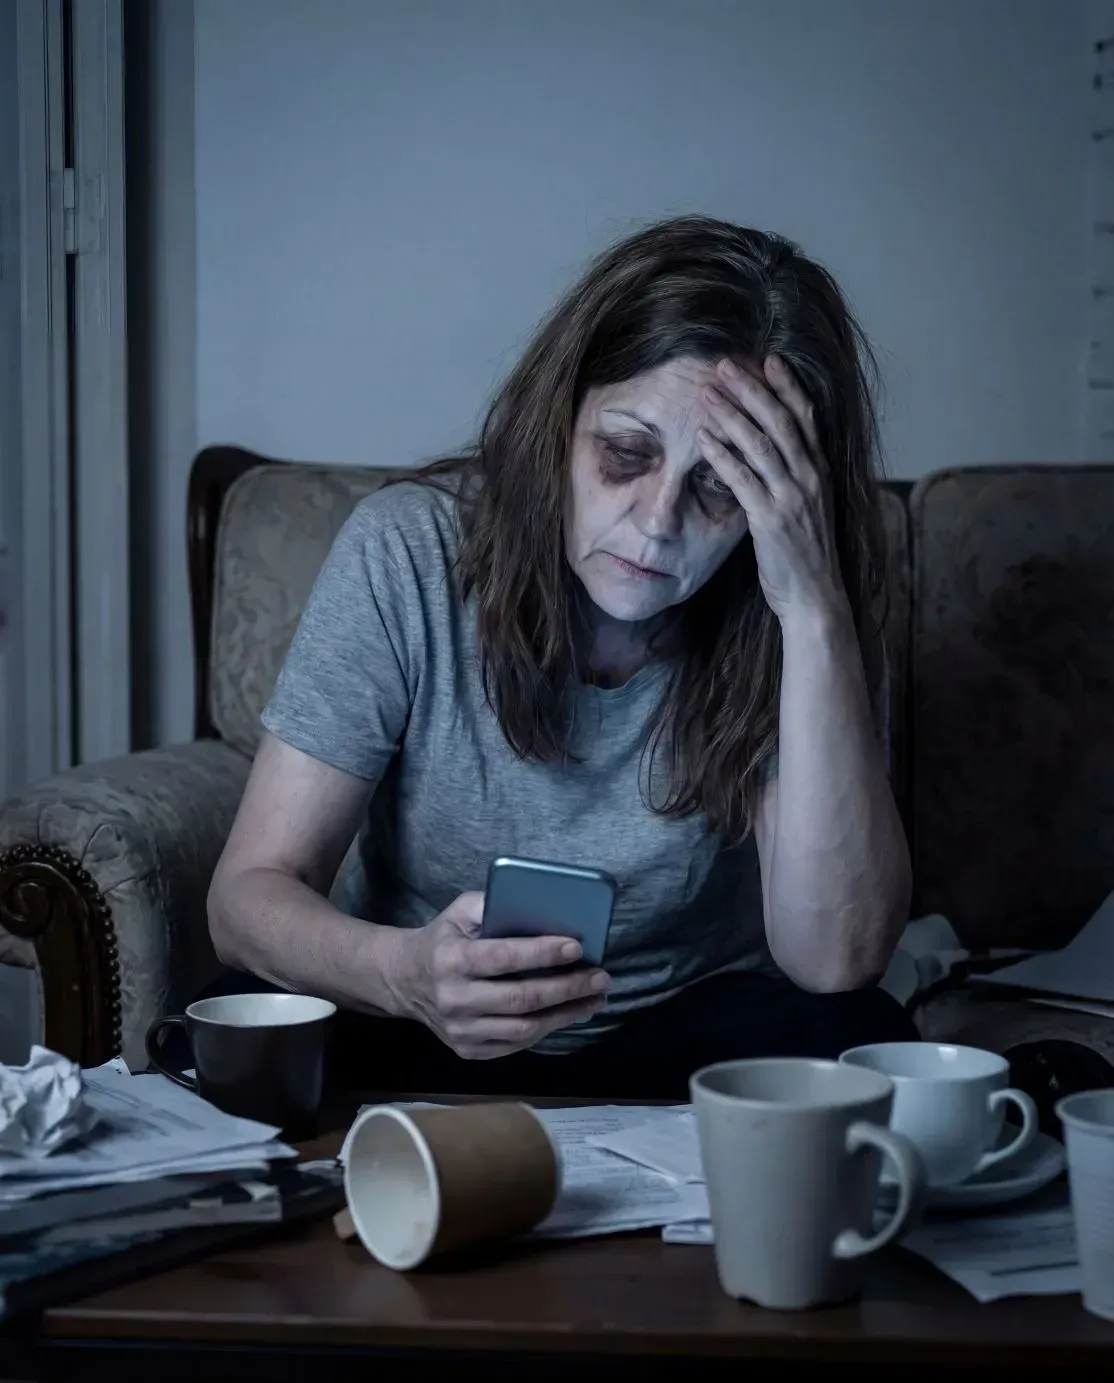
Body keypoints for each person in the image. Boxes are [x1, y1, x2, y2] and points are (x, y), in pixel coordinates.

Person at [206, 215, 918, 1099]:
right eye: (626, 453)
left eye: (719, 488)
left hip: (683, 1036)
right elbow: (245, 898)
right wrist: (406, 973)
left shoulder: (799, 598)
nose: (657, 523)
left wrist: (811, 611)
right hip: (426, 1022)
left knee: (862, 1035)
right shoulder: (410, 550)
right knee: (238, 1012)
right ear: (560, 420)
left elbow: (837, 955)